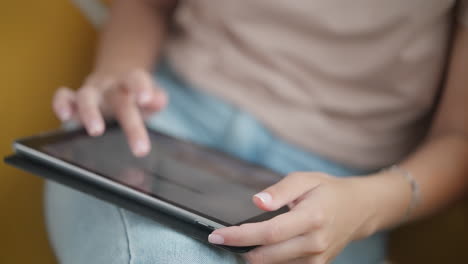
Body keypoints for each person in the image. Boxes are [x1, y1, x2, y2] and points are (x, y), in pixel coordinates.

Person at [47, 1, 468, 263]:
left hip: (338, 192)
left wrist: (363, 206)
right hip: (165, 121)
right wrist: (118, 74)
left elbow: (459, 136)